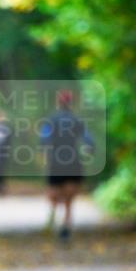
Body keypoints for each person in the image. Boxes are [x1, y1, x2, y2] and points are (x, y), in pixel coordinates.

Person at [41, 89, 94, 241]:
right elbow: (88, 140)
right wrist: (89, 149)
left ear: (58, 103)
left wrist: (45, 154)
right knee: (70, 195)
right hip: (73, 160)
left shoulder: (51, 120)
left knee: (53, 191)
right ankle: (67, 223)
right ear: (71, 103)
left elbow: (44, 139)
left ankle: (53, 213)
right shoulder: (77, 120)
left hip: (55, 160)